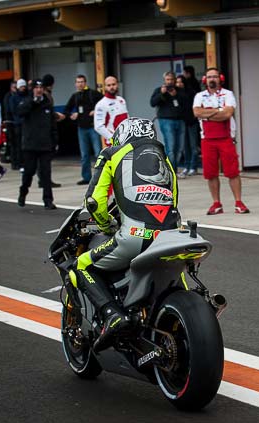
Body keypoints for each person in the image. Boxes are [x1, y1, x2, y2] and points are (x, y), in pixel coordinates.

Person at [68, 117, 181, 352]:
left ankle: (112, 314)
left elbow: (94, 202)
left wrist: (108, 226)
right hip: (171, 236)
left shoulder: (112, 153)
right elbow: (174, 201)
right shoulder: (165, 157)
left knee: (81, 266)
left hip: (134, 236)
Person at [193, 67, 250, 215]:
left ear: (221, 78)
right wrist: (218, 110)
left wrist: (208, 114)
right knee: (211, 174)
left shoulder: (228, 94)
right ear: (205, 80)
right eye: (209, 77)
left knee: (232, 172)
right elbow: (197, 112)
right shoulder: (199, 96)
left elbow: (228, 113)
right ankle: (216, 203)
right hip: (207, 139)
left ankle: (238, 202)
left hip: (226, 138)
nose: (212, 79)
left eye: (215, 77)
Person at [16, 79, 58, 210]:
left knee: (46, 173)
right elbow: (20, 112)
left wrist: (55, 141)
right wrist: (32, 101)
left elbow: (53, 125)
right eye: (36, 87)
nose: (39, 90)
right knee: (29, 171)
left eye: (41, 87)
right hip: (30, 145)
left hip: (45, 144)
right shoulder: (26, 101)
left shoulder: (47, 103)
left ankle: (48, 200)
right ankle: (23, 193)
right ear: (32, 89)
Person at [64, 74, 104, 185]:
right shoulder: (75, 96)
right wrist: (72, 114)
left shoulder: (92, 93)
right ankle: (86, 177)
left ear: (85, 83)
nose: (80, 84)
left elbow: (104, 102)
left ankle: (101, 176)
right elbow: (66, 110)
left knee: (98, 153)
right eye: (78, 82)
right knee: (84, 155)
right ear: (75, 84)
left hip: (93, 127)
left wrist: (96, 111)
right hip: (81, 128)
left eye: (82, 82)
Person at [149, 71, 187, 171]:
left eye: (171, 80)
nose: (169, 82)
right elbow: (152, 103)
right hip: (166, 121)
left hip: (180, 121)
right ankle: (171, 170)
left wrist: (176, 96)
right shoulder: (159, 90)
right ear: (164, 80)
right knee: (171, 147)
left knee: (180, 148)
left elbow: (187, 104)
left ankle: (174, 168)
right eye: (167, 80)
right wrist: (162, 93)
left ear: (174, 80)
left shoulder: (179, 90)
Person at [39, 73, 62, 188]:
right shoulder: (47, 96)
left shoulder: (43, 95)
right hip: (47, 130)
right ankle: (45, 180)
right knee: (46, 157)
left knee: (43, 157)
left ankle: (42, 179)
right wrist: (57, 116)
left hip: (42, 130)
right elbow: (48, 113)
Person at [94, 75, 129, 149]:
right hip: (113, 143)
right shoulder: (101, 104)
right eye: (108, 85)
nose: (111, 87)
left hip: (126, 139)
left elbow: (127, 118)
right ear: (105, 87)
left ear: (117, 85)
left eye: (113, 84)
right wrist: (113, 138)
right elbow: (98, 126)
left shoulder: (121, 100)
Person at [176, 75, 199, 177]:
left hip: (192, 122)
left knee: (193, 146)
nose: (179, 84)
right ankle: (186, 166)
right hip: (182, 123)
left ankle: (193, 167)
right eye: (177, 82)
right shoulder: (176, 94)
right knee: (185, 147)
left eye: (181, 82)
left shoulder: (191, 93)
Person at [7, 79, 28, 171]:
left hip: (27, 123)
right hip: (18, 123)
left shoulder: (28, 96)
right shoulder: (13, 98)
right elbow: (13, 110)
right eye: (21, 86)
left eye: (24, 86)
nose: (23, 88)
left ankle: (26, 162)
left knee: (26, 144)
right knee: (18, 144)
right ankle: (19, 163)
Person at [1, 81, 17, 164]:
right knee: (11, 141)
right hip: (10, 121)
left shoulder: (18, 96)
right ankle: (12, 159)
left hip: (16, 121)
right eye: (14, 87)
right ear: (11, 88)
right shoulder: (8, 96)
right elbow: (8, 109)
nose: (15, 88)